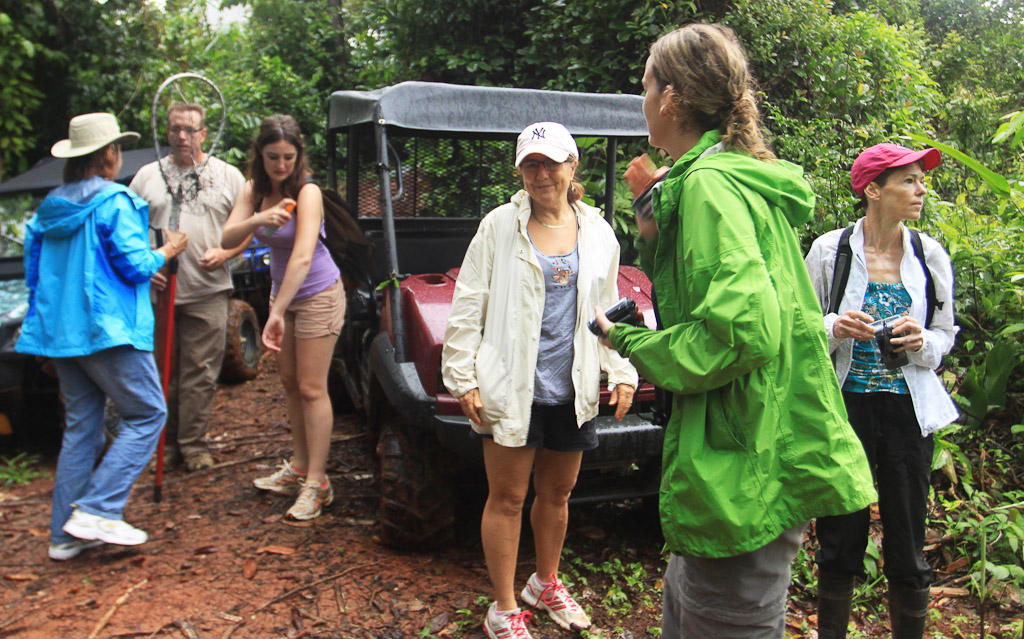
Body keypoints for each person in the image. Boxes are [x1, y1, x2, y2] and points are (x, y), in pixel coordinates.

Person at [593, 24, 876, 639]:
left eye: (645, 84)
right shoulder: (728, 176)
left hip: (741, 461)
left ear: (669, 99)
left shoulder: (710, 187)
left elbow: (744, 330)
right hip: (754, 446)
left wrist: (631, 343)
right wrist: (657, 232)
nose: (641, 99)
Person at [441, 122, 638, 639]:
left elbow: (610, 305)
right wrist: (462, 377)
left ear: (573, 166)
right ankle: (504, 606)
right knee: (506, 497)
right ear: (520, 172)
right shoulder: (499, 226)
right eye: (531, 164)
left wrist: (621, 370)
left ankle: (544, 582)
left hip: (571, 385)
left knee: (558, 493)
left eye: (551, 162)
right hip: (511, 385)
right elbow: (468, 302)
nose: (542, 173)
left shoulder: (598, 230)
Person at [17, 113, 187, 560]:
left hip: (61, 336)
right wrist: (167, 250)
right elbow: (134, 265)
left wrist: (41, 341)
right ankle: (97, 508)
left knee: (82, 430)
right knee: (149, 414)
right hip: (109, 332)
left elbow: (35, 277)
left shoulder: (49, 209)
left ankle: (64, 536)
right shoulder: (115, 201)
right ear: (109, 155)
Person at [805, 143, 958, 639]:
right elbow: (800, 325)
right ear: (873, 189)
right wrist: (835, 326)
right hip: (845, 406)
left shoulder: (928, 254)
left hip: (907, 410)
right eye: (908, 181)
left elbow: (944, 332)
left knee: (908, 534)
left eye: (920, 179)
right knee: (840, 534)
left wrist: (923, 342)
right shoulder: (831, 251)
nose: (921, 189)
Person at [222, 115, 344, 521]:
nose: (281, 165)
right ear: (260, 154)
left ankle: (318, 483)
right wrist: (258, 220)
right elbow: (227, 237)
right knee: (290, 384)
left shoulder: (307, 191)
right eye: (273, 157)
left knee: (311, 387)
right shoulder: (254, 190)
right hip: (283, 295)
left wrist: (274, 312)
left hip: (317, 294)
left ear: (299, 155)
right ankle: (298, 466)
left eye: (289, 157)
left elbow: (304, 256)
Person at [129, 101, 246, 473]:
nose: (182, 136)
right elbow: (126, 232)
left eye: (191, 129)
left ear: (204, 133)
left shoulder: (228, 176)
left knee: (201, 373)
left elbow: (249, 229)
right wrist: (147, 264)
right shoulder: (146, 177)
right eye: (175, 129)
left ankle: (192, 445)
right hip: (157, 293)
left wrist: (227, 252)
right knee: (157, 372)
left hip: (208, 290)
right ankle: (159, 445)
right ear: (166, 132)